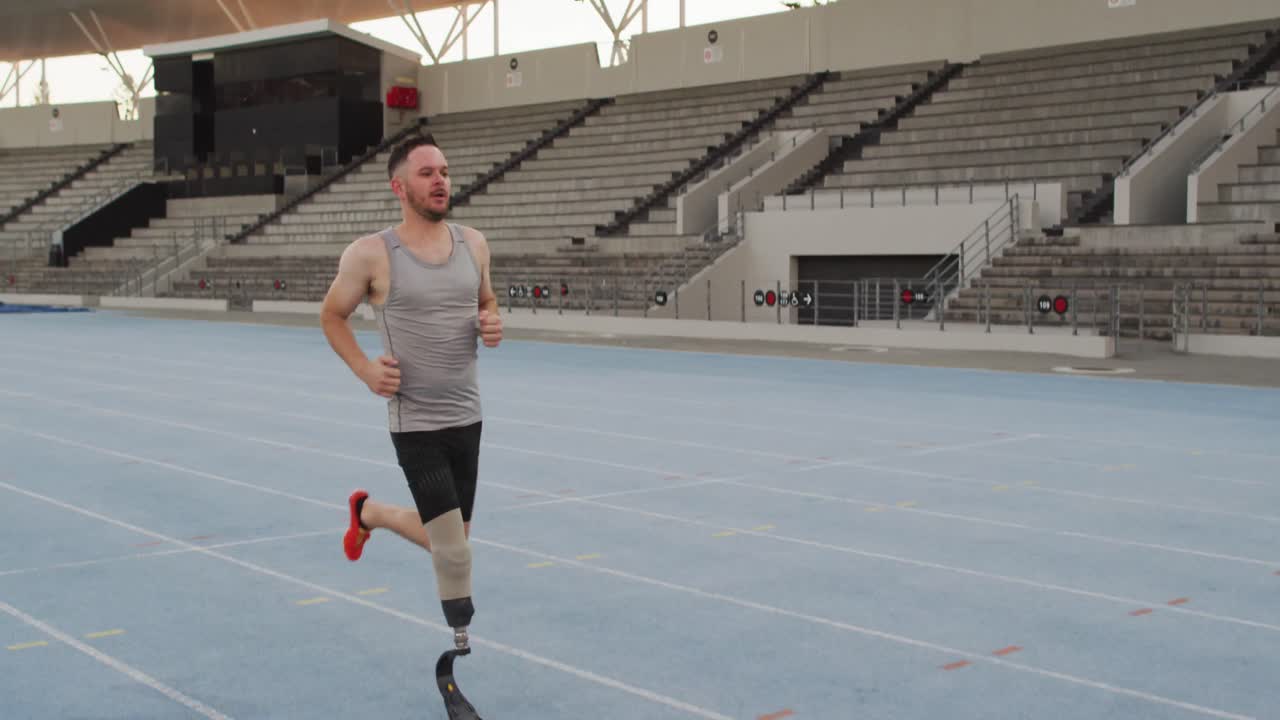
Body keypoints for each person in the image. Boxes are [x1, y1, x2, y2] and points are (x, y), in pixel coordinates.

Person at [319, 133, 503, 654]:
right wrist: (364, 370)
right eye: (427, 173)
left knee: (451, 540)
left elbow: (486, 301)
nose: (440, 179)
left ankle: (368, 514)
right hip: (415, 421)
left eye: (444, 170)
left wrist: (490, 322)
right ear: (399, 187)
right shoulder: (372, 254)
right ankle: (460, 640)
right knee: (453, 553)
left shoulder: (475, 243)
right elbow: (331, 315)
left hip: (468, 416)